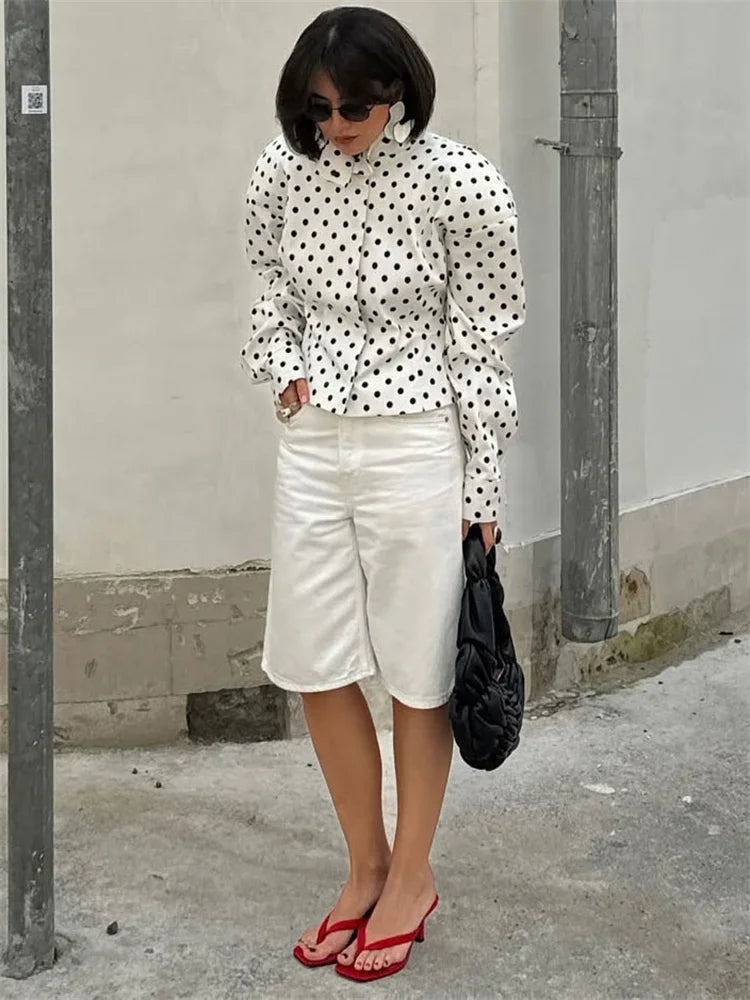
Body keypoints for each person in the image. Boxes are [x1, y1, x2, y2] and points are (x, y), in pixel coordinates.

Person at [240, 5, 525, 983]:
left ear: (397, 89)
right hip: (315, 442)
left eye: (353, 106)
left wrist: (483, 485)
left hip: (417, 443)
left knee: (417, 669)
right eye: (317, 108)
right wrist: (282, 364)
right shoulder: (284, 169)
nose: (335, 124)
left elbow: (481, 339)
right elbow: (268, 284)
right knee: (315, 658)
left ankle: (412, 875)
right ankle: (363, 865)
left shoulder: (460, 183)